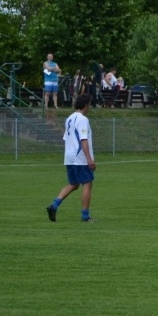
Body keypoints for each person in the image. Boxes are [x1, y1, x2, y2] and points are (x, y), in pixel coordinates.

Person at [46, 94, 97, 222]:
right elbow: (83, 139)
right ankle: (85, 216)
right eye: (89, 104)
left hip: (69, 156)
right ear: (86, 105)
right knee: (87, 183)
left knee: (74, 184)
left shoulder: (69, 118)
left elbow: (66, 138)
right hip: (80, 157)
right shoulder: (82, 119)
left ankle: (54, 205)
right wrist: (89, 159)